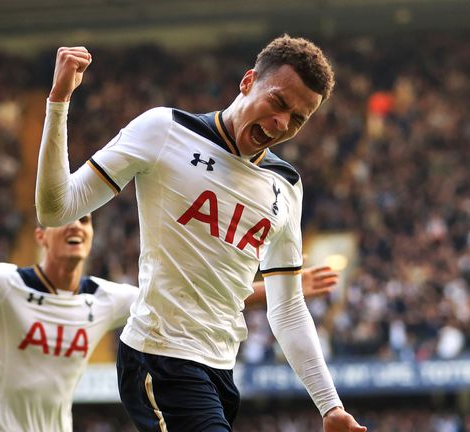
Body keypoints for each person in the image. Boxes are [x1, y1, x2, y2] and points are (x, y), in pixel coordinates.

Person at [35, 35, 366, 431]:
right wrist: (59, 102)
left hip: (221, 370)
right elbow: (56, 209)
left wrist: (330, 407)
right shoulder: (165, 130)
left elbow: (288, 308)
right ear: (248, 82)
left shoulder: (285, 186)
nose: (282, 124)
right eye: (278, 103)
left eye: (298, 119)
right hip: (159, 355)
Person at [0, 194, 338, 432]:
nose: (78, 226)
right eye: (65, 220)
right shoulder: (3, 286)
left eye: (86, 220)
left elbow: (187, 300)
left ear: (89, 236)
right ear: (40, 234)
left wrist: (275, 289)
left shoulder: (103, 298)